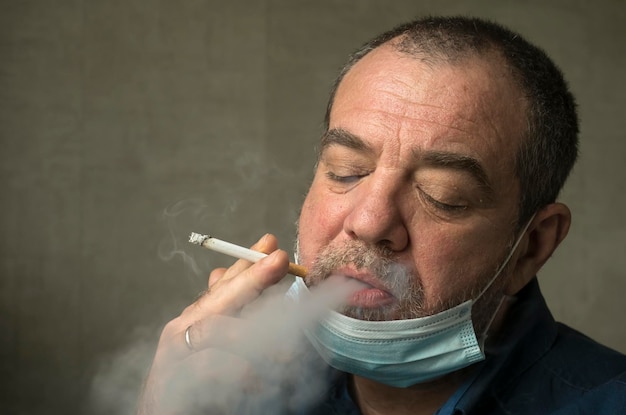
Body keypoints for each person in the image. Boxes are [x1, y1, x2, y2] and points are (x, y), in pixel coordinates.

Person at [138, 16, 626, 414]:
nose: (370, 222)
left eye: (442, 195)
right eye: (347, 171)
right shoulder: (243, 393)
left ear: (532, 246)